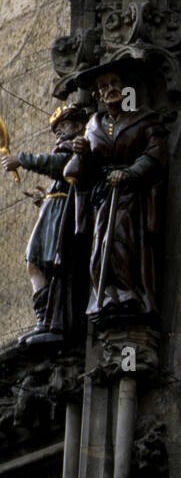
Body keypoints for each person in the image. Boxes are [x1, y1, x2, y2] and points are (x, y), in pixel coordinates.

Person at [65, 57, 167, 327]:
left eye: (114, 83)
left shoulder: (144, 119)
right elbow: (82, 171)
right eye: (103, 85)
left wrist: (131, 172)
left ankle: (128, 291)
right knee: (100, 246)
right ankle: (106, 294)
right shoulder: (92, 126)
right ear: (98, 94)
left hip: (130, 194)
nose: (109, 89)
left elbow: (155, 155)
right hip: (103, 195)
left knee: (122, 239)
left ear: (126, 88)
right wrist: (83, 154)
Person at [1, 103, 89, 343]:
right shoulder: (67, 146)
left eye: (65, 126)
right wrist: (43, 200)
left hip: (61, 215)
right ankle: (45, 321)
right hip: (53, 212)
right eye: (57, 129)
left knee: (44, 264)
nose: (60, 133)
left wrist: (22, 159)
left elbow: (57, 166)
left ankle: (52, 323)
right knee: (36, 264)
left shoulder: (76, 147)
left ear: (80, 125)